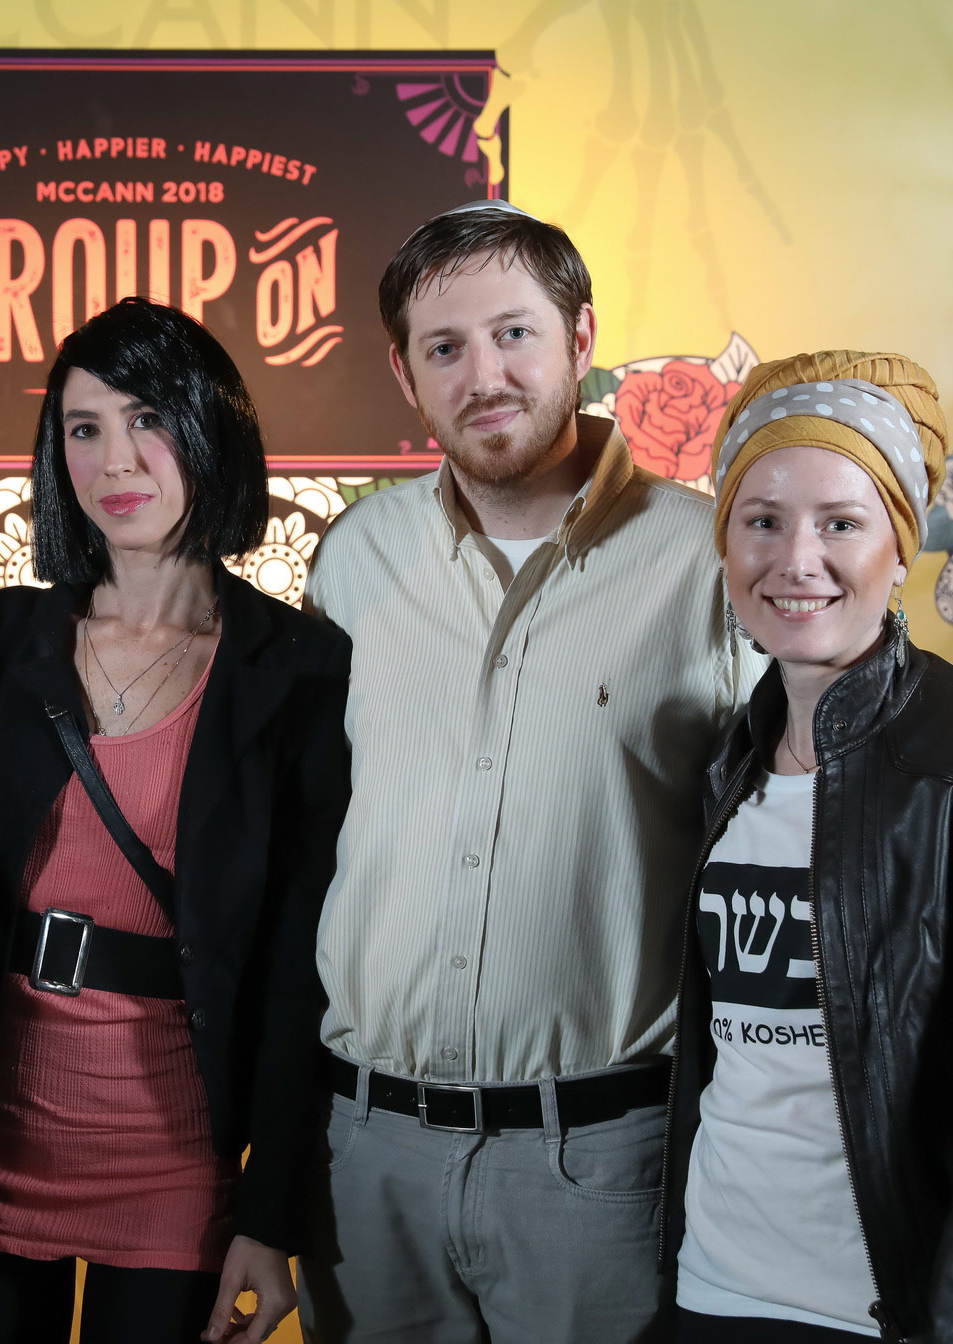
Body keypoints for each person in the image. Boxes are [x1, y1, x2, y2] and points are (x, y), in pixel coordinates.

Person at [297, 199, 758, 1343]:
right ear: (405, 375)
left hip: (598, 1166)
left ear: (581, 336)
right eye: (445, 348)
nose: (484, 377)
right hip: (364, 1157)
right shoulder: (355, 558)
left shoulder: (706, 560)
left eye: (514, 334)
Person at [0, 297, 352, 1344]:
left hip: (175, 1161)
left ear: (211, 427)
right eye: (84, 427)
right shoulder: (1, 634)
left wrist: (272, 1214)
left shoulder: (297, 666)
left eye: (149, 418)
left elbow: (302, 963)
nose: (116, 459)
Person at [660, 351, 953, 1343]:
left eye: (841, 523)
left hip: (894, 1305)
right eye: (762, 520)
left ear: (901, 546)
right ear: (724, 542)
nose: (796, 559)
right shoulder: (729, 758)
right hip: (720, 1284)